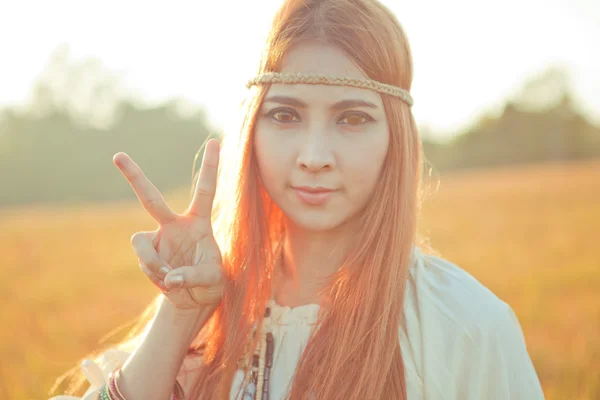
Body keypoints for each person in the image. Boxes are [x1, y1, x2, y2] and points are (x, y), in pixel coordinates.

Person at [49, 0, 545, 399]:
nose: (314, 156)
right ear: (253, 130)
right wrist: (180, 313)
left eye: (352, 119)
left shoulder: (465, 325)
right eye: (285, 116)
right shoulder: (208, 307)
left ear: (396, 137)